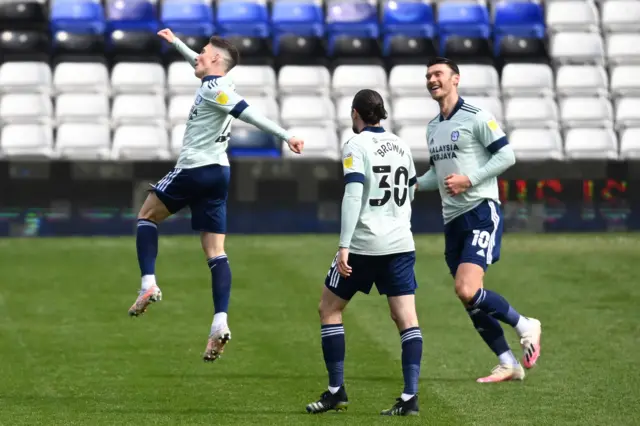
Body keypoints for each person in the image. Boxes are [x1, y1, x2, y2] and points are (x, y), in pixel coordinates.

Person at [129, 29, 305, 364]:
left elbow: (246, 112)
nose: (197, 55)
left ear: (215, 61)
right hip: (219, 173)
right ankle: (219, 322)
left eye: (202, 51)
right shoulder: (215, 81)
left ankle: (148, 284)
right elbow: (196, 61)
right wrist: (176, 42)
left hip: (196, 167)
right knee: (215, 251)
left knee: (147, 216)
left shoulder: (214, 88)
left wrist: (285, 135)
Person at [415, 57, 542, 383]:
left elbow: (506, 155)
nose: (432, 79)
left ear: (455, 79)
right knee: (468, 296)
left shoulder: (476, 117)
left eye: (438, 74)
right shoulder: (432, 127)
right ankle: (508, 363)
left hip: (480, 213)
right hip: (452, 221)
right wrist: (411, 184)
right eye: (428, 75)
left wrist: (470, 180)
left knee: (466, 287)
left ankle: (525, 325)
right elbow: (437, 174)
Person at [305, 89, 421, 416]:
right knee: (406, 319)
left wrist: (344, 245)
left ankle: (335, 390)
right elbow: (410, 189)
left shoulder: (355, 145)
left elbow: (353, 195)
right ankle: (410, 396)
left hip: (365, 244)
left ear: (356, 113)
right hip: (400, 244)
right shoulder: (401, 144)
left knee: (329, 308)